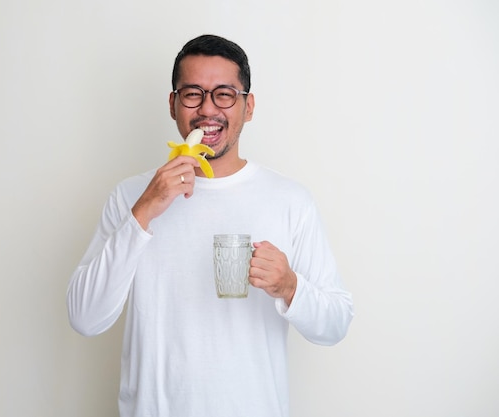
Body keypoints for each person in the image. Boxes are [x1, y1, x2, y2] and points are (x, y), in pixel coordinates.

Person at [67, 34, 354, 417]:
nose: (207, 109)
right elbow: (85, 317)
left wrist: (290, 285)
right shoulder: (131, 196)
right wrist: (144, 212)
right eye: (192, 94)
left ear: (248, 106)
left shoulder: (290, 200)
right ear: (172, 104)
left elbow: (335, 324)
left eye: (224, 94)